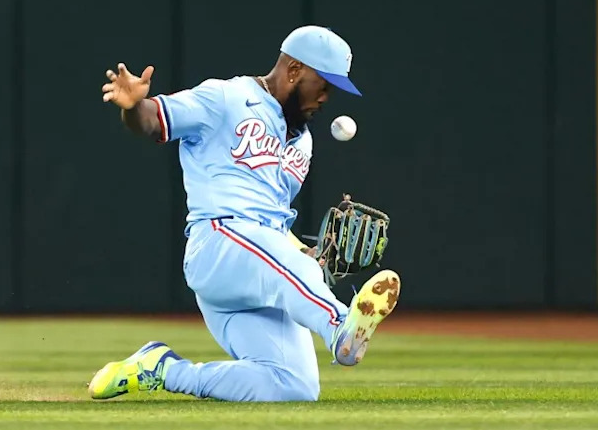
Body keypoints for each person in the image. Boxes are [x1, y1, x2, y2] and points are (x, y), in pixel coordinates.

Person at [87, 25, 401, 402]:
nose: (327, 96)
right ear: (295, 69)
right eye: (324, 83)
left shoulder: (303, 139)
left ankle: (162, 368)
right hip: (218, 243)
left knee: (295, 386)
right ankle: (339, 327)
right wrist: (135, 105)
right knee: (298, 272)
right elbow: (154, 120)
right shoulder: (226, 97)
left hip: (255, 267)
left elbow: (273, 221)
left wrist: (305, 254)